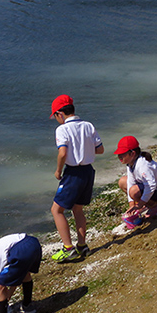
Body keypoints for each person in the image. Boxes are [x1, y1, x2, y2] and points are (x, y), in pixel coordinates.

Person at [49, 95, 104, 263]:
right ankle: (82, 245)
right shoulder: (88, 125)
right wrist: (84, 150)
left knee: (56, 210)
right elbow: (100, 149)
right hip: (88, 171)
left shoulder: (62, 129)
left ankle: (68, 248)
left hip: (73, 173)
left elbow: (63, 153)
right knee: (77, 210)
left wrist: (58, 170)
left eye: (55, 116)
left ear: (60, 114)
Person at [115, 135, 157, 223]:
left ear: (132, 153)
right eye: (119, 154)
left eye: (122, 154)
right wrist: (132, 205)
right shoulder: (130, 163)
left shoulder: (143, 164)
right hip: (152, 187)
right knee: (122, 182)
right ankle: (147, 204)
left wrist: (139, 204)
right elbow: (130, 182)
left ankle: (156, 206)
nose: (119, 156)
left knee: (134, 191)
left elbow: (151, 185)